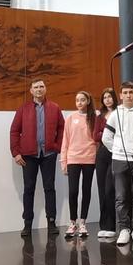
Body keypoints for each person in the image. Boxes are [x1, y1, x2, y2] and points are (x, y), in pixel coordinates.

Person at [10, 78, 64, 238]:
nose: (39, 89)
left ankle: (51, 222)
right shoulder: (23, 109)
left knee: (49, 188)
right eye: (36, 87)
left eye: (41, 86)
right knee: (28, 189)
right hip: (28, 155)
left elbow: (62, 128)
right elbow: (14, 131)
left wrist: (58, 147)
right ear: (31, 91)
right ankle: (27, 224)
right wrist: (16, 152)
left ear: (45, 89)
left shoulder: (54, 108)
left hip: (48, 154)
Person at [103, 82, 133, 246]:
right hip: (119, 160)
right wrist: (117, 150)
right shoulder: (115, 114)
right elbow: (106, 137)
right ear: (121, 95)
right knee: (121, 197)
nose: (128, 95)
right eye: (125, 92)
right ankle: (124, 229)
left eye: (131, 92)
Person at [60, 91, 97, 238]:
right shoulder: (70, 118)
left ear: (88, 101)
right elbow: (65, 141)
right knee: (73, 191)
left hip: (89, 158)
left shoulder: (94, 117)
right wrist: (64, 162)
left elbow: (98, 140)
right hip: (73, 159)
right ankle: (72, 222)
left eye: (82, 100)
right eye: (77, 100)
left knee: (86, 190)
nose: (79, 103)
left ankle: (83, 223)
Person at [93, 87, 118, 239]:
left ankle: (115, 224)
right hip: (103, 153)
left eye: (110, 96)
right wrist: (106, 134)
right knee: (102, 189)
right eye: (105, 97)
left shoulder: (120, 113)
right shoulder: (100, 115)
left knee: (112, 190)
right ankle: (105, 225)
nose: (107, 99)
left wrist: (106, 134)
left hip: (117, 152)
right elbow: (96, 135)